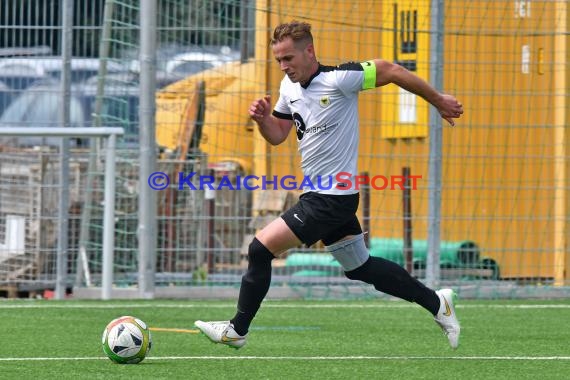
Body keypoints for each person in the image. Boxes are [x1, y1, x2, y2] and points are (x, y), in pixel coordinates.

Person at [195, 20, 463, 350]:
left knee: (259, 249)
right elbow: (278, 135)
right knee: (360, 267)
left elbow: (391, 69)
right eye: (279, 60)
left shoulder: (340, 80)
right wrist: (263, 119)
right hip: (324, 195)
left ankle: (237, 329)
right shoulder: (288, 88)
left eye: (289, 58)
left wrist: (436, 99)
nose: (284, 66)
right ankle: (437, 303)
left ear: (310, 51)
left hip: (330, 198)